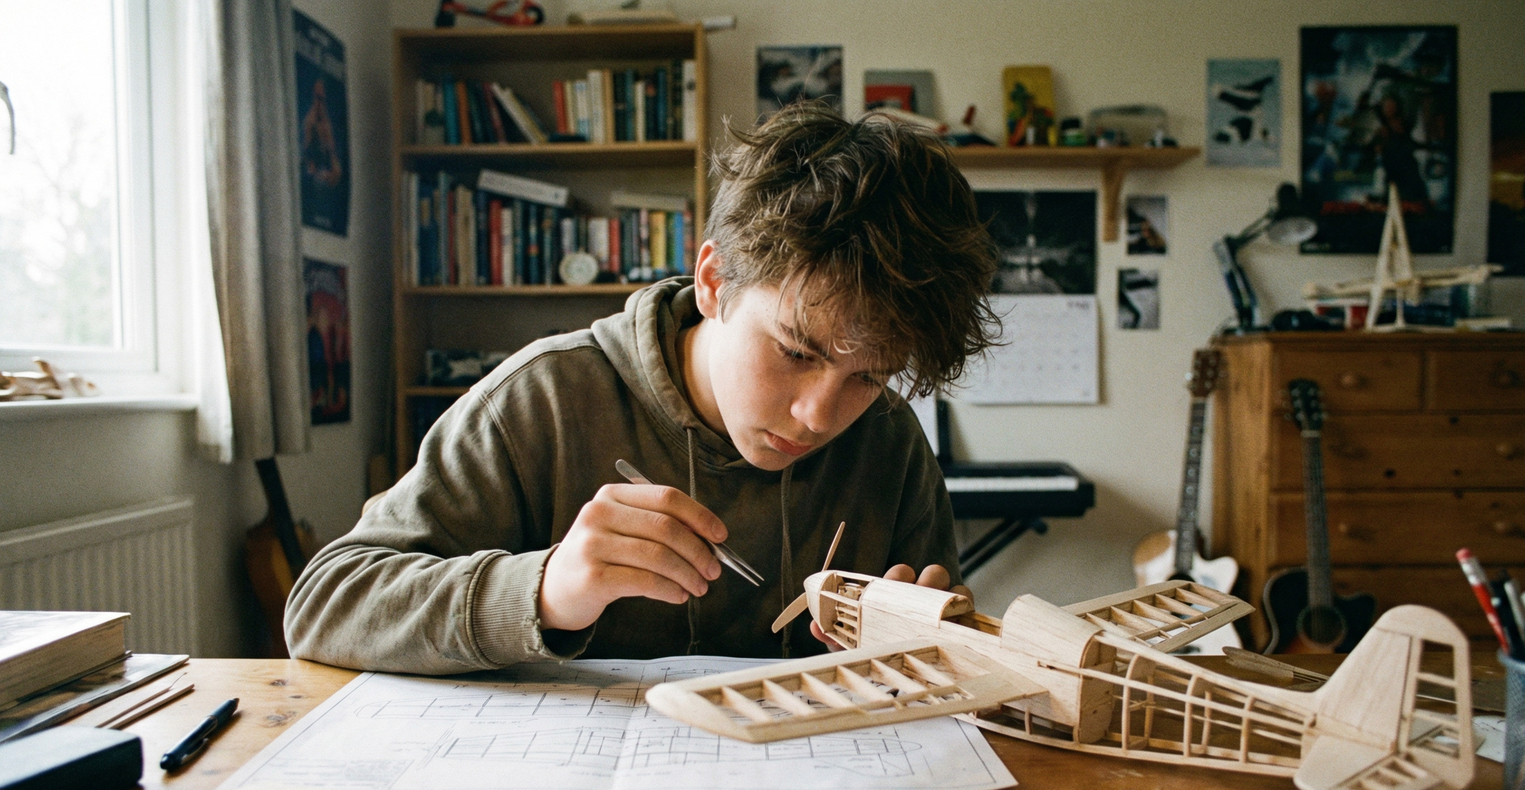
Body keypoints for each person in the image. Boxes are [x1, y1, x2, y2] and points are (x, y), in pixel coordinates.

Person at [285, 100, 1000, 675]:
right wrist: (544, 591)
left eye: (868, 375)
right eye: (795, 350)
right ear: (715, 282)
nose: (818, 414)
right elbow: (324, 605)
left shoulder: (889, 441)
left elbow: (942, 644)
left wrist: (935, 640)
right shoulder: (544, 402)